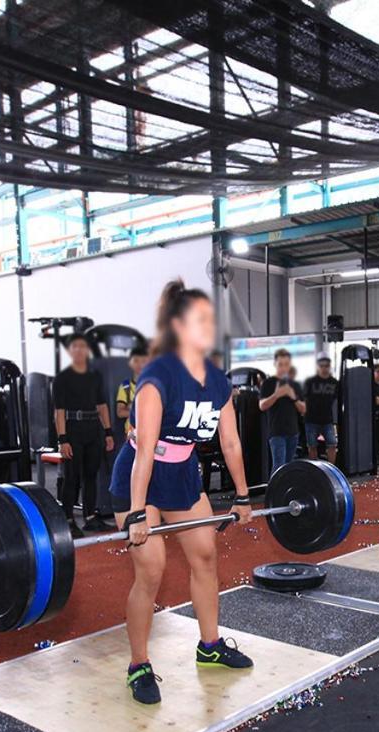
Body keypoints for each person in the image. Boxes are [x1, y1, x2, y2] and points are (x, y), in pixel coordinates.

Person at [110, 280, 253, 705]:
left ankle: (209, 646)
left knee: (205, 557)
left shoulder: (217, 381)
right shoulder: (157, 378)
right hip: (142, 478)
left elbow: (230, 442)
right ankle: (138, 665)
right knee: (151, 571)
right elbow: (146, 451)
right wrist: (137, 512)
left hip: (184, 477)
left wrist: (243, 497)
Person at [53, 334, 115, 536]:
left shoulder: (95, 376)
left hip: (93, 430)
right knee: (72, 477)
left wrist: (108, 432)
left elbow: (102, 405)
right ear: (70, 351)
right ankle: (68, 520)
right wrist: (63, 439)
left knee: (91, 475)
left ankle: (90, 517)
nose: (79, 350)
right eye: (75, 347)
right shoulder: (62, 379)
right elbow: (59, 411)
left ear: (87, 350)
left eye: (83, 347)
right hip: (73, 430)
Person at [257, 348, 305, 470]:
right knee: (279, 466)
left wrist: (292, 396)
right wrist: (276, 395)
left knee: (289, 467)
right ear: (275, 364)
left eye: (286, 364)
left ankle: (285, 489)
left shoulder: (295, 385)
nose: (284, 368)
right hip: (276, 432)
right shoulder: (268, 383)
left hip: (293, 432)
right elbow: (262, 406)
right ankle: (274, 489)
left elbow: (303, 409)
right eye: (281, 364)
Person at [303, 354, 338, 463]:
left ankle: (332, 469)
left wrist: (336, 422)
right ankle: (315, 471)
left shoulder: (334, 383)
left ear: (329, 366)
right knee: (312, 446)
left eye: (326, 366)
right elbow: (303, 398)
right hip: (311, 419)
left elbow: (337, 401)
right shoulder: (310, 382)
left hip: (328, 420)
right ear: (318, 367)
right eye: (322, 366)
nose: (324, 368)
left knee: (332, 444)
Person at [114, 348, 150, 436]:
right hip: (132, 433)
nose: (140, 364)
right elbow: (120, 412)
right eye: (136, 360)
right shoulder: (125, 386)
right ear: (130, 363)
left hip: (151, 433)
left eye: (144, 361)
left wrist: (132, 408)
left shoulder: (155, 385)